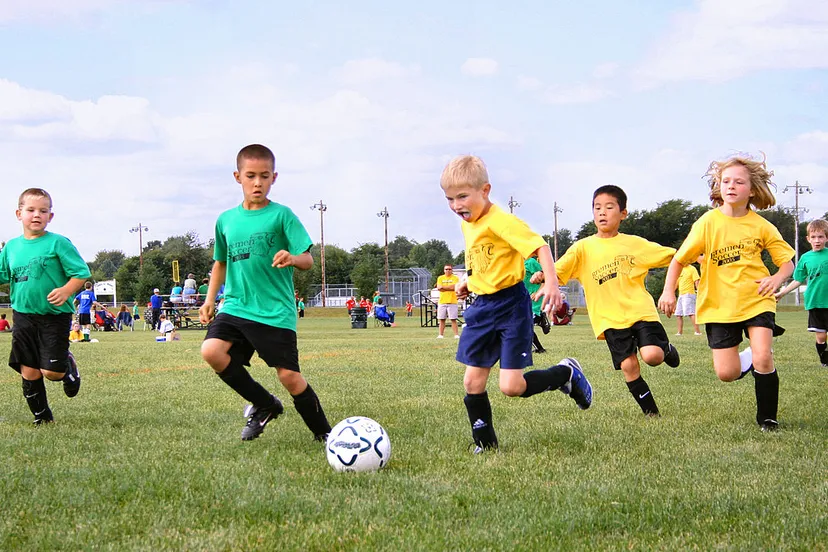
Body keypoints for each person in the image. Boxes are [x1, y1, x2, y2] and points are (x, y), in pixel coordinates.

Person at [440, 155, 592, 453]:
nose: (456, 205)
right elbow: (485, 263)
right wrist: (467, 282)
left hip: (511, 307)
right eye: (449, 198)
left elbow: (540, 247)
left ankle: (566, 374)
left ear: (485, 190)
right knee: (472, 382)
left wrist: (551, 283)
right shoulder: (467, 224)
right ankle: (486, 444)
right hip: (482, 308)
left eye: (462, 196)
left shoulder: (502, 221)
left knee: (511, 387)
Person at [199, 143, 332, 442]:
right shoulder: (226, 220)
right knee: (211, 351)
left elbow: (308, 260)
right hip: (235, 305)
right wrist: (210, 300)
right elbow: (220, 263)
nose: (257, 182)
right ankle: (264, 404)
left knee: (288, 376)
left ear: (274, 177)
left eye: (264, 176)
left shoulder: (282, 215)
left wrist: (293, 258)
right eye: (250, 176)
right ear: (238, 177)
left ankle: (324, 434)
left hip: (274, 310)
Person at [658, 154, 794, 431]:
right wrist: (668, 292)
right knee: (726, 373)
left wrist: (776, 278)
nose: (731, 186)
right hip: (719, 306)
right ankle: (749, 358)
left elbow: (787, 263)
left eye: (739, 182)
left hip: (757, 300)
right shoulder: (707, 223)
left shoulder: (761, 225)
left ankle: (768, 418)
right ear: (718, 186)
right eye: (725, 181)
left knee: (764, 357)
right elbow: (679, 260)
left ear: (752, 189)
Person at [555, 185, 680, 417]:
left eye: (609, 207)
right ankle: (651, 413)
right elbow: (559, 270)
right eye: (597, 207)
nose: (602, 212)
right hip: (609, 318)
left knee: (652, 356)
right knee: (628, 366)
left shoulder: (634, 244)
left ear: (623, 213)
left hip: (640, 311)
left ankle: (666, 349)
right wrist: (544, 275)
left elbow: (674, 256)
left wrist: (699, 255)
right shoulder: (582, 248)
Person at [0, 188, 89, 425]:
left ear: (51, 216)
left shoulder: (58, 243)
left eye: (43, 210)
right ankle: (42, 417)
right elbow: (2, 274)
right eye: (30, 210)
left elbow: (80, 273)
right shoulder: (11, 247)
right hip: (23, 315)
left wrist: (66, 290)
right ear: (19, 214)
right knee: (28, 369)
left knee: (52, 373)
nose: (36, 215)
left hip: (54, 316)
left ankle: (67, 363)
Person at [774, 218, 828, 366]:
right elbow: (798, 279)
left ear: (826, 238)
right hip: (815, 302)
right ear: (808, 239)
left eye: (821, 236)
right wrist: (782, 293)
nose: (817, 240)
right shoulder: (805, 258)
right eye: (814, 237)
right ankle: (824, 360)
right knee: (821, 336)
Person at [523, 253, 549, 353]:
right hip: (523, 300)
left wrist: (538, 292)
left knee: (524, 326)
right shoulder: (516, 265)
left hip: (534, 300)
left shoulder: (531, 262)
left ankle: (539, 318)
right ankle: (540, 319)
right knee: (523, 325)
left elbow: (545, 277)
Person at [675, 261, 702, 336]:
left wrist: (699, 292)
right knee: (678, 314)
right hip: (681, 295)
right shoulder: (680, 269)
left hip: (689, 294)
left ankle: (697, 332)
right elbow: (676, 284)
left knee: (691, 313)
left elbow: (696, 281)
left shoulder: (692, 269)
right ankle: (679, 332)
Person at [435, 265, 460, 339]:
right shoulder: (440, 278)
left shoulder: (455, 278)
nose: (448, 270)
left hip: (452, 301)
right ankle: (440, 335)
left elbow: (455, 287)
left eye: (449, 269)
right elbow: (439, 288)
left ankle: (456, 335)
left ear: (452, 270)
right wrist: (449, 287)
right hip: (442, 301)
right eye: (446, 269)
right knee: (441, 319)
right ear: (444, 270)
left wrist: (444, 287)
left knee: (453, 319)